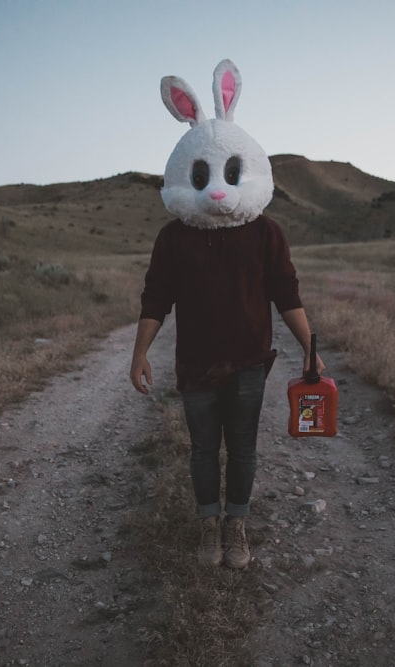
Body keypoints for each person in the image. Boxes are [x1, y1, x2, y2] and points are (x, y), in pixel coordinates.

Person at [129, 59, 323, 569]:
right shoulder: (174, 238)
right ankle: (208, 526)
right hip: (195, 365)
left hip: (249, 363)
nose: (218, 187)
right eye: (204, 174)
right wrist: (139, 354)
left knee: (241, 450)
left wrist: (310, 348)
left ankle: (236, 525)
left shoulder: (265, 232)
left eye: (230, 173)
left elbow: (287, 294)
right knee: (200, 451)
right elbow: (156, 298)